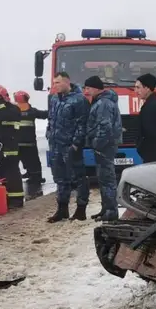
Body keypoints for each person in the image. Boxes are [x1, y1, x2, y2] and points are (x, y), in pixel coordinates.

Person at [46, 72, 90, 222]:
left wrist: (76, 144)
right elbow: (51, 119)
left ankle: (81, 209)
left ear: (67, 82)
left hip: (70, 146)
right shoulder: (54, 99)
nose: (55, 86)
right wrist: (49, 134)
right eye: (54, 83)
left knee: (78, 178)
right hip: (56, 145)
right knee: (60, 179)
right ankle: (62, 209)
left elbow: (82, 124)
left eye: (57, 83)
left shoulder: (79, 100)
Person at [83, 76, 123, 221]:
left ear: (95, 88)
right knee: (103, 179)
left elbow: (104, 127)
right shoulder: (101, 101)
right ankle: (105, 209)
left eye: (87, 88)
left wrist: (97, 145)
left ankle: (111, 212)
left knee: (107, 180)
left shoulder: (103, 103)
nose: (86, 91)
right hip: (104, 146)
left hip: (104, 147)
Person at [0, 86, 25, 210]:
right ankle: (3, 199)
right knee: (0, 175)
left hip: (10, 149)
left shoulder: (12, 109)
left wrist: (2, 108)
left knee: (12, 174)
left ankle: (16, 200)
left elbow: (9, 122)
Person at [14, 91, 48, 189]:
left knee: (24, 159)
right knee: (33, 160)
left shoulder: (14, 110)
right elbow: (43, 114)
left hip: (18, 142)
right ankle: (36, 176)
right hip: (30, 142)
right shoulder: (31, 111)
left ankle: (31, 174)